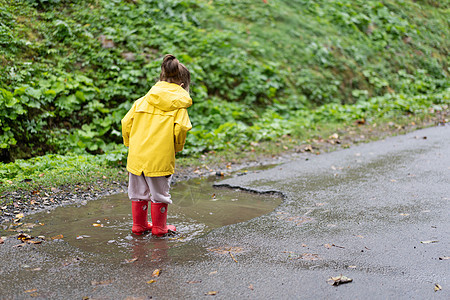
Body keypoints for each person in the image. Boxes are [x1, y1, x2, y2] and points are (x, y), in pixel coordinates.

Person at [121, 54, 192, 236]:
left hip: (136, 156)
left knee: (137, 193)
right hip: (160, 158)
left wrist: (131, 144)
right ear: (182, 85)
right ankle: (160, 229)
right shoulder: (178, 106)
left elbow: (126, 122)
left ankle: (139, 226)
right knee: (159, 194)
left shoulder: (143, 100)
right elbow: (181, 129)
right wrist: (176, 148)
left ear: (161, 78)